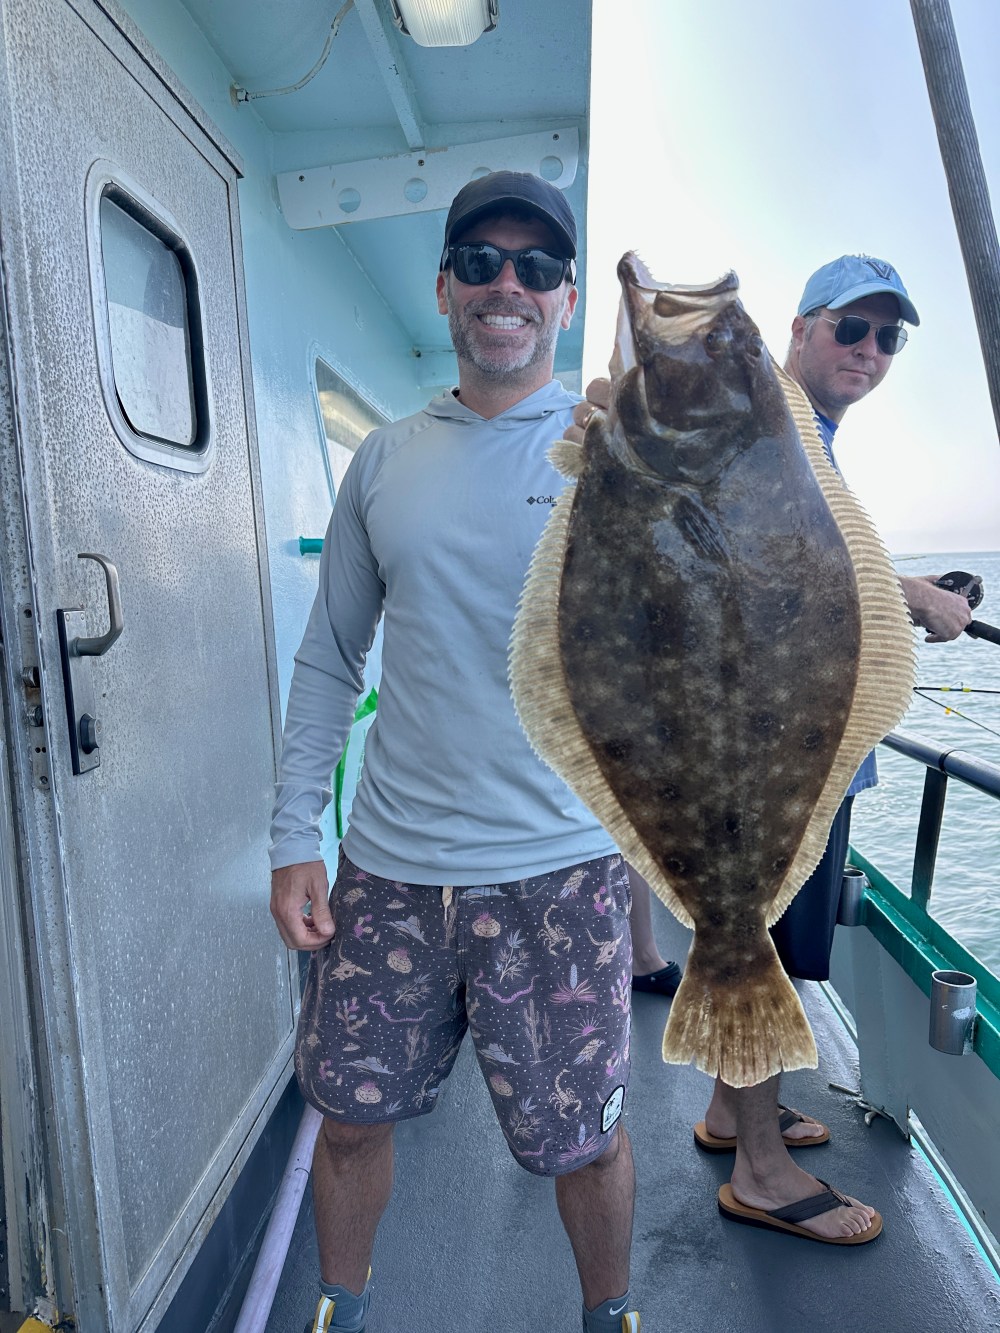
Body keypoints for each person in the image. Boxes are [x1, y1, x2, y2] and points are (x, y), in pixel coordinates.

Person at [269, 172, 641, 1333]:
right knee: (348, 1114)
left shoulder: (616, 450)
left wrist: (645, 470)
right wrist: (296, 840)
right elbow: (331, 655)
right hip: (389, 870)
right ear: (442, 289)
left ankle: (608, 1316)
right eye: (480, 260)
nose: (507, 286)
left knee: (587, 1141)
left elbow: (693, 619)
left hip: (565, 869)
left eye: (536, 268)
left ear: (565, 302)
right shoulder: (382, 459)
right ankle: (342, 1306)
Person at [569, 254, 971, 1243]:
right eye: (851, 329)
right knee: (752, 945)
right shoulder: (767, 423)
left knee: (759, 944)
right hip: (759, 748)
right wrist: (918, 597)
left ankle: (724, 1111)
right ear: (799, 329)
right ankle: (759, 1168)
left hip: (791, 739)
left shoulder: (808, 438)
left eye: (888, 338)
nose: (870, 352)